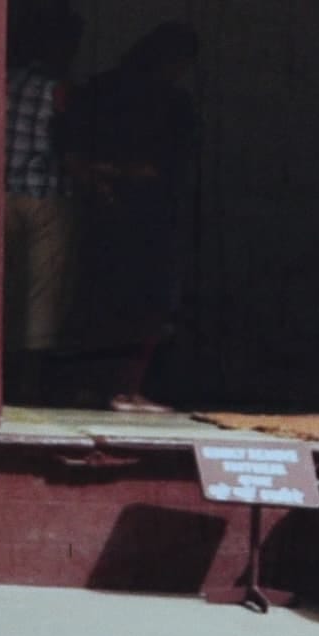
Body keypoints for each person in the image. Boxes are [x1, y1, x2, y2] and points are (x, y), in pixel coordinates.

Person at [59, 22, 197, 413]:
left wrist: (98, 176)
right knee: (145, 305)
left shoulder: (97, 90)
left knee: (95, 298)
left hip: (99, 205)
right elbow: (170, 166)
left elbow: (71, 151)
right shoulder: (172, 103)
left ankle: (85, 385)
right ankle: (124, 389)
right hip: (148, 214)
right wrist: (126, 174)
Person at [4, 4, 81, 383]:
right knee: (41, 292)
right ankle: (28, 380)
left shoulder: (2, 79)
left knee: (5, 286)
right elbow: (67, 148)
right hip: (43, 194)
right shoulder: (58, 89)